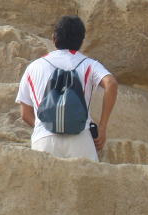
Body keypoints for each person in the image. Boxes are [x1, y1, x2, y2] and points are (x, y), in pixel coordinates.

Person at [16, 15, 118, 162]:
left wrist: (47, 126)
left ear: (53, 38)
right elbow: (111, 84)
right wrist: (102, 127)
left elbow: (25, 113)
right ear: (81, 41)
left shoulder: (33, 67)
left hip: (44, 139)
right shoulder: (89, 64)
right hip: (81, 138)